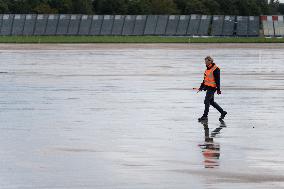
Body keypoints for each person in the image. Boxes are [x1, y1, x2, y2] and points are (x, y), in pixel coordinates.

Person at [198, 56, 227, 122]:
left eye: (207, 61)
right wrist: (201, 87)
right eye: (205, 61)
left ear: (210, 61)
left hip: (213, 88)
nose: (205, 62)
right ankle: (222, 112)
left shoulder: (216, 69)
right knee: (211, 102)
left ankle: (205, 116)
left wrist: (218, 89)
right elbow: (205, 79)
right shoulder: (207, 69)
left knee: (206, 101)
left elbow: (218, 80)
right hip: (208, 87)